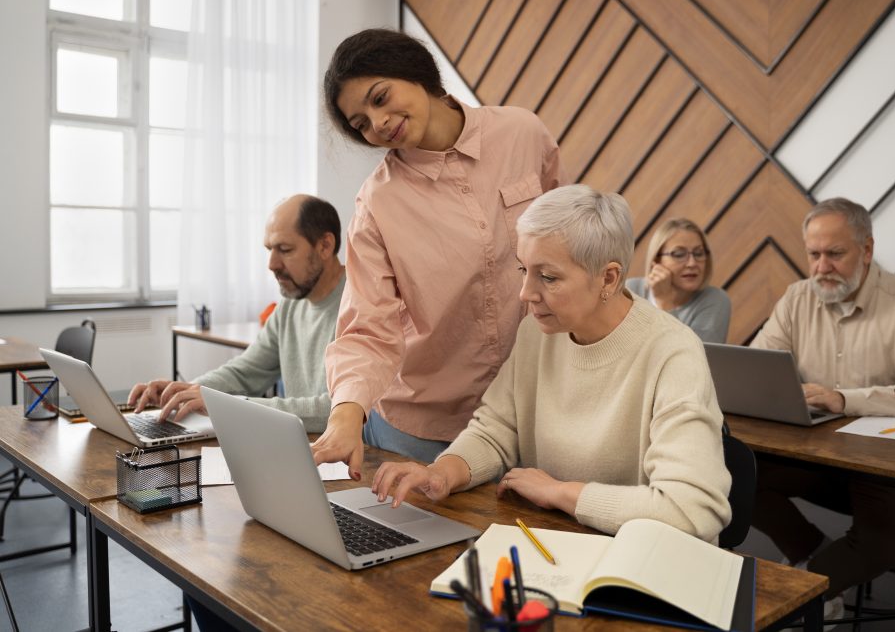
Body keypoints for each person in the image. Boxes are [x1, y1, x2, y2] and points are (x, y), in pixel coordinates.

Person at [370, 186, 731, 540]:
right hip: (553, 543)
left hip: (638, 566)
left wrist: (561, 493)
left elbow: (692, 508)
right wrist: (444, 472)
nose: (526, 293)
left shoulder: (674, 353)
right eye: (523, 269)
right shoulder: (536, 333)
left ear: (608, 278)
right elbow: (496, 429)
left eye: (548, 277)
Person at [313, 29, 561, 478]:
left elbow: (567, 239)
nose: (379, 123)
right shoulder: (377, 204)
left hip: (535, 410)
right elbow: (368, 327)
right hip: (425, 430)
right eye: (361, 124)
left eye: (381, 97)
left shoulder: (522, 133)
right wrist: (346, 414)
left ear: (415, 70)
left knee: (520, 549)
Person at [749, 197, 895, 619]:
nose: (822, 266)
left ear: (866, 250)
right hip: (815, 456)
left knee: (882, 542)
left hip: (891, 464)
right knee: (735, 474)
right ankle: (814, 565)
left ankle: (807, 588)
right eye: (814, 254)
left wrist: (845, 400)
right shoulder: (796, 298)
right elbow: (760, 366)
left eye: (835, 254)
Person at [129, 195, 346, 433]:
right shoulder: (290, 304)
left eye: (285, 249)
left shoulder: (361, 307)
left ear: (325, 245)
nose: (272, 264)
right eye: (269, 249)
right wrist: (186, 391)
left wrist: (231, 407)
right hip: (302, 449)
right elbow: (246, 372)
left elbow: (338, 409)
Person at [626, 217, 730, 342]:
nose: (692, 263)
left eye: (698, 253)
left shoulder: (715, 300)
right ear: (656, 260)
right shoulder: (631, 290)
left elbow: (694, 358)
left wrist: (665, 303)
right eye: (679, 254)